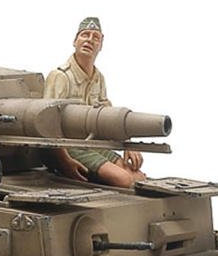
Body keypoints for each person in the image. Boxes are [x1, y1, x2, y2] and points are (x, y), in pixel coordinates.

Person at [43, 17, 146, 188]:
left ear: (101, 45)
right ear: (75, 41)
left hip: (93, 144)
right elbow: (47, 122)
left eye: (95, 37)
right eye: (85, 35)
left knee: (138, 178)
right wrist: (64, 161)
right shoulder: (61, 76)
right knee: (123, 180)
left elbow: (108, 116)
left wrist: (128, 144)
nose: (89, 40)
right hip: (69, 146)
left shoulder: (98, 78)